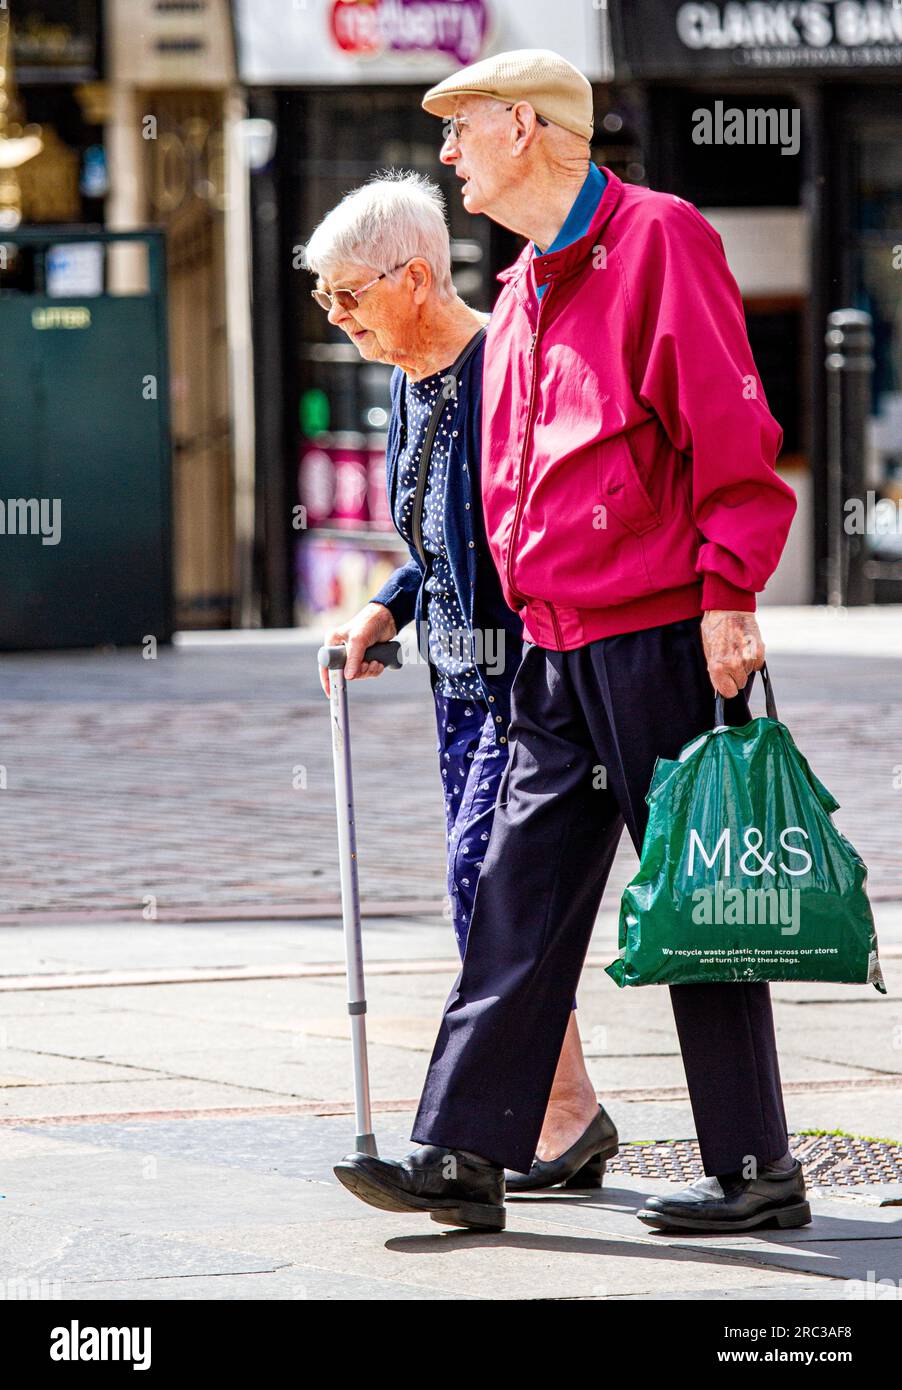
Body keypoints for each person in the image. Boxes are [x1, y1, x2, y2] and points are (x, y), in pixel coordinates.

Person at [333, 51, 808, 1236]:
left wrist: (728, 592)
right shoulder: (532, 277)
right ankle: (460, 1152)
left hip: (657, 629)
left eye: (458, 132)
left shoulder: (659, 238)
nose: (445, 156)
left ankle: (756, 1168)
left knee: (698, 893)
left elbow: (726, 422)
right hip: (553, 641)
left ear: (525, 127)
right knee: (516, 892)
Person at [308, 171, 617, 1189]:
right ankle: (564, 1118)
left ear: (416, 276)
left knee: (491, 890)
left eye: (347, 293)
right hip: (455, 683)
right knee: (490, 898)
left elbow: (534, 524)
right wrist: (388, 604)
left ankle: (480, 1138)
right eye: (324, 298)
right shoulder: (406, 379)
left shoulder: (505, 369)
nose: (334, 313)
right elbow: (437, 539)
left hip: (534, 677)